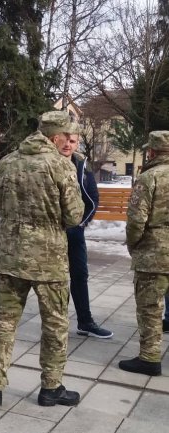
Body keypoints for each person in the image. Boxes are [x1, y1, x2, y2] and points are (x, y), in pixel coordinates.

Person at [0, 111, 84, 408]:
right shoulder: (60, 166)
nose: (70, 142)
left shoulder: (7, 162)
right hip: (49, 259)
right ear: (55, 136)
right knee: (55, 323)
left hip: (10, 255)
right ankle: (51, 387)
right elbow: (74, 216)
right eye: (68, 136)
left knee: (5, 321)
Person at [118, 130, 169, 376]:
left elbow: (136, 220)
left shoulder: (149, 178)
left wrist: (133, 245)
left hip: (154, 253)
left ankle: (149, 358)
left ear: (152, 151)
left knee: (150, 307)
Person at [57, 134, 113, 338]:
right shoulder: (47, 163)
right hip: (50, 234)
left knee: (79, 274)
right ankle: (55, 322)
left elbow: (92, 199)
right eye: (64, 140)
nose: (68, 145)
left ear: (77, 144)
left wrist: (81, 223)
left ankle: (85, 321)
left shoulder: (82, 165)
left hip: (75, 232)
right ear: (55, 140)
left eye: (72, 141)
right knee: (52, 278)